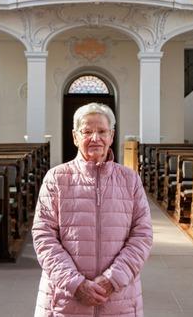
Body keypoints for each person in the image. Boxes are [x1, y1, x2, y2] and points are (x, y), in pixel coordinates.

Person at [32, 102, 153, 316]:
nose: (95, 138)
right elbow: (44, 236)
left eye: (102, 131)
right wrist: (75, 284)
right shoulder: (56, 178)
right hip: (64, 298)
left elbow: (142, 235)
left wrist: (112, 279)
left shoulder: (130, 179)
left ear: (112, 136)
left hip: (118, 299)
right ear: (75, 137)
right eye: (87, 131)